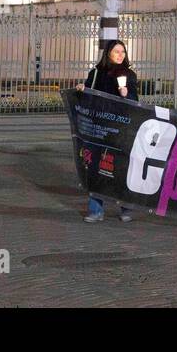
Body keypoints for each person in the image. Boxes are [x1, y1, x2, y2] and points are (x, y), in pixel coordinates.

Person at [76, 40, 139, 223]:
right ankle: (96, 210)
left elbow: (135, 103)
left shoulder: (129, 74)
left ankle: (126, 208)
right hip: (99, 128)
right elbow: (88, 96)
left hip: (121, 128)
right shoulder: (96, 73)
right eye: (116, 51)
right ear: (108, 53)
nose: (120, 55)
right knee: (96, 167)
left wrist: (126, 94)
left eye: (123, 52)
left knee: (121, 167)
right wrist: (82, 89)